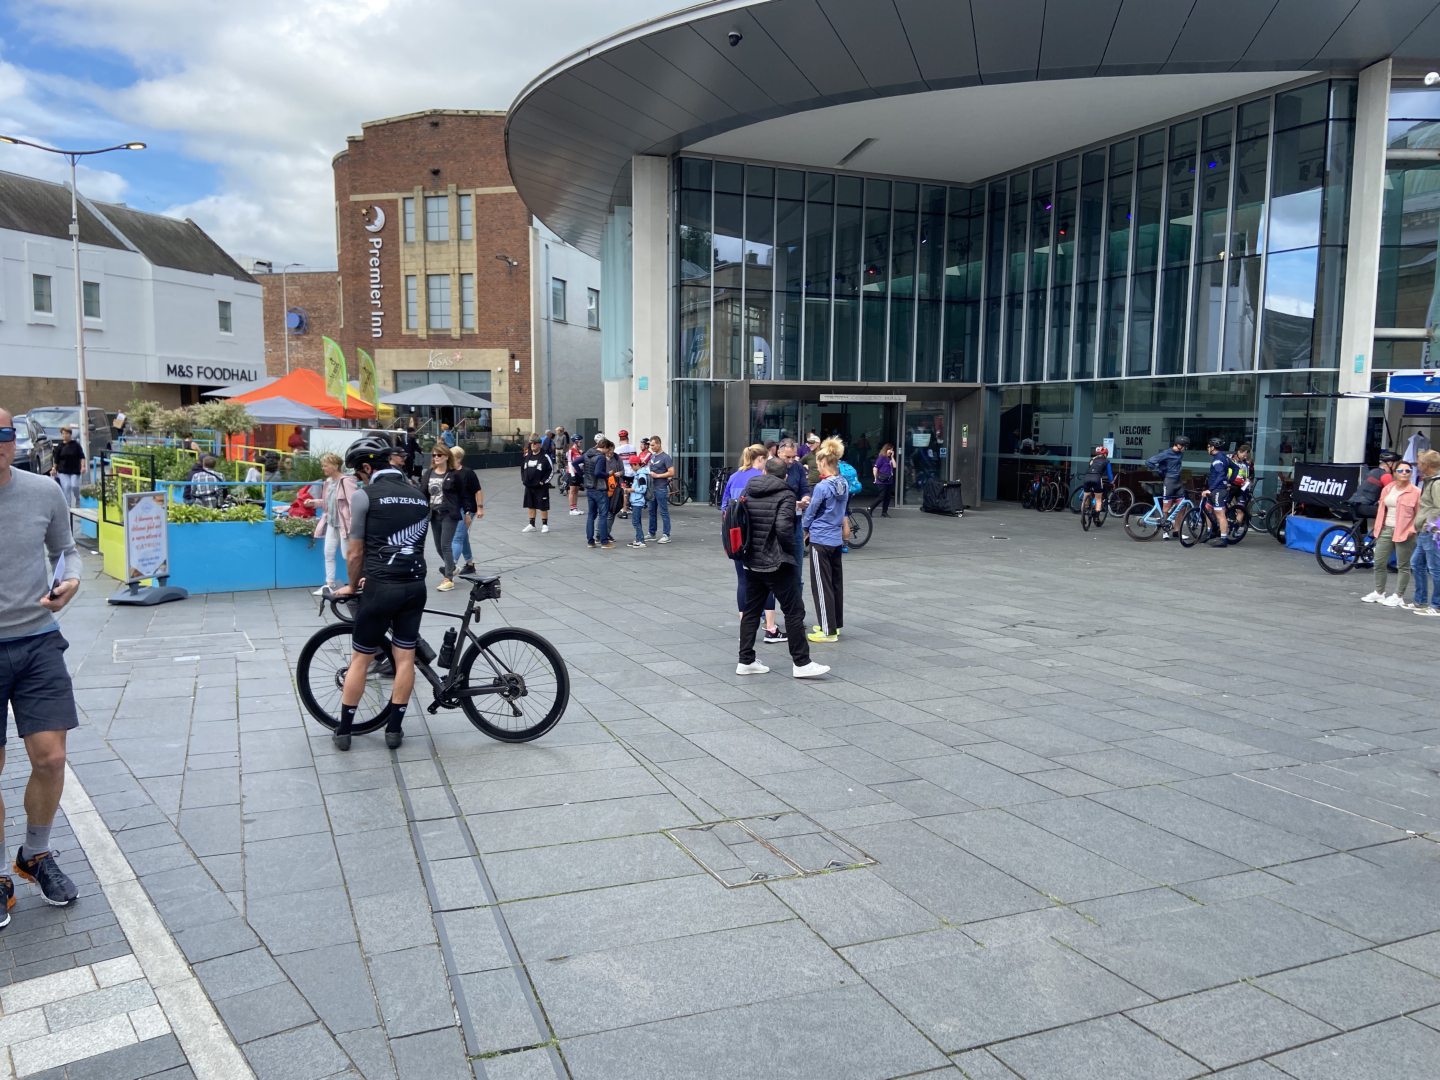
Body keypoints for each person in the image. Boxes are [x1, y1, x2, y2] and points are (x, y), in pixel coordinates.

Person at [0, 406, 84, 922]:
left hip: (37, 640)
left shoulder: (42, 491)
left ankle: (35, 853)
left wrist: (70, 582)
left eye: (3, 435)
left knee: (51, 758)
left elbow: (68, 552)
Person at [330, 435, 430, 750]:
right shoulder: (418, 495)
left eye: (358, 473)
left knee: (360, 658)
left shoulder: (365, 496)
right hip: (414, 585)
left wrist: (351, 582)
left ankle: (345, 731)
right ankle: (394, 730)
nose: (358, 479)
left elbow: (355, 552)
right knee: (405, 658)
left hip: (381, 587)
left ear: (367, 468)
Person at [737, 457, 830, 679]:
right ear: (785, 476)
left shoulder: (749, 490)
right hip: (777, 562)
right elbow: (783, 528)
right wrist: (790, 551)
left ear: (764, 472)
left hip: (751, 559)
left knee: (751, 611)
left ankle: (746, 660)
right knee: (794, 611)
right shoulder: (786, 495)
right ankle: (801, 663)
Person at [722, 445, 782, 643]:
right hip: (759, 537)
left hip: (736, 537)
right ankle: (771, 628)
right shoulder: (761, 478)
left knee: (743, 581)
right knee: (768, 582)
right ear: (762, 458)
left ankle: (744, 628)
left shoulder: (733, 477)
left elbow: (725, 509)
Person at [802, 437, 849, 643]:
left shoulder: (822, 487)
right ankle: (834, 623)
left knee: (821, 585)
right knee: (835, 583)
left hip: (820, 538)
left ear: (822, 463)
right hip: (836, 539)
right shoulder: (843, 483)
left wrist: (804, 528)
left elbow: (811, 511)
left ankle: (827, 630)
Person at [1362, 460, 1421, 607]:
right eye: (1401, 471)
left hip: (1404, 531)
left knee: (1403, 565)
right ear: (1394, 473)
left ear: (1411, 473)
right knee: (1379, 562)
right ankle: (1379, 592)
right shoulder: (1388, 488)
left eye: (1407, 471)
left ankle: (1398, 595)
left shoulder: (1416, 492)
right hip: (1385, 529)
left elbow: (1419, 515)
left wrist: (1411, 530)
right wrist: (1378, 528)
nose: (1404, 474)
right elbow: (1382, 509)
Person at [308, 452, 358, 595]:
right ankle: (329, 584)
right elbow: (327, 503)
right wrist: (314, 503)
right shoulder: (328, 483)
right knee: (328, 553)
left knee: (347, 555)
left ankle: (356, 583)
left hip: (344, 525)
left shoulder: (346, 481)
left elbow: (353, 503)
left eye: (325, 465)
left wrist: (354, 524)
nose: (323, 468)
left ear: (335, 466)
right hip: (331, 523)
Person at [423, 444, 464, 590]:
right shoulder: (429, 473)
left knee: (445, 545)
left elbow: (462, 495)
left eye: (439, 455)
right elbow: (423, 493)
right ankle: (452, 567)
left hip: (449, 514)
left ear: (446, 456)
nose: (436, 458)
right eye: (434, 455)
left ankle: (448, 579)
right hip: (434, 514)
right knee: (438, 546)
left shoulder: (454, 475)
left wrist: (468, 511)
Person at [776, 439, 811, 587]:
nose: (791, 460)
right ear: (779, 453)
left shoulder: (798, 468)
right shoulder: (772, 467)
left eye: (794, 456)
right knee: (773, 571)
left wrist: (805, 498)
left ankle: (796, 608)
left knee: (797, 572)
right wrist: (791, 503)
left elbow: (804, 489)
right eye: (787, 457)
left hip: (795, 522)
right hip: (775, 524)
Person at [1411, 450, 1440, 616]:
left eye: (1420, 463)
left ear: (1427, 466)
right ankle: (1420, 601)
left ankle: (1437, 605)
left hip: (1431, 531)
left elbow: (1438, 507)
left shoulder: (1436, 483)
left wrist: (1429, 523)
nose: (1418, 465)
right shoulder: (1430, 481)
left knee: (1435, 568)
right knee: (1416, 564)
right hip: (1425, 530)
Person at [1145, 435, 1190, 538]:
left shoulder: (1180, 453)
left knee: (1182, 506)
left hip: (1178, 482)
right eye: (1184, 446)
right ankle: (1165, 531)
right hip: (1169, 482)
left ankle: (1177, 531)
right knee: (1166, 507)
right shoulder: (1166, 453)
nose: (1185, 448)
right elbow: (1149, 462)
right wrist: (1160, 471)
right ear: (1178, 445)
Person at [1349, 450, 1400, 540]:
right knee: (1389, 513)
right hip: (1364, 506)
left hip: (1354, 504)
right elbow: (1392, 492)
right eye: (1396, 463)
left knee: (1360, 536)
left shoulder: (1372, 471)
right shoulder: (1386, 475)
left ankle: (1360, 547)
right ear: (1390, 463)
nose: (1396, 466)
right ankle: (1376, 532)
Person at [450, 446, 483, 573]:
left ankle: (451, 565)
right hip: (453, 509)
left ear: (458, 458)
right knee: (462, 537)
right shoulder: (449, 472)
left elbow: (478, 490)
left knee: (457, 537)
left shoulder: (468, 473)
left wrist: (480, 508)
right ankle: (470, 564)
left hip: (467, 509)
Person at [583, 437, 616, 549]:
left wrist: (584, 477)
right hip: (599, 489)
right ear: (605, 447)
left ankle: (590, 541)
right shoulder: (601, 457)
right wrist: (608, 474)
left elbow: (576, 464)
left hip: (589, 488)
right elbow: (598, 473)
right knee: (603, 515)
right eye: (608, 449)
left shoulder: (588, 454)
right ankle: (604, 541)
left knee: (591, 515)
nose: (609, 452)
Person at [520, 434, 553, 534]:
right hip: (529, 486)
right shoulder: (527, 456)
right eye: (531, 443)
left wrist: (543, 482)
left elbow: (551, 471)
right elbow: (522, 469)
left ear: (539, 444)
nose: (533, 445)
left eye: (535, 443)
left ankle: (545, 525)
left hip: (541, 487)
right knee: (531, 505)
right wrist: (524, 480)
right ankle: (531, 524)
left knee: (543, 506)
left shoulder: (545, 456)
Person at [1204, 438, 1233, 547]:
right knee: (1207, 509)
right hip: (1217, 488)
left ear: (1212, 447)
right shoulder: (1224, 457)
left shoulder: (1217, 460)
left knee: (1220, 514)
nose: (1207, 448)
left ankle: (1223, 539)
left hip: (1218, 490)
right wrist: (1230, 481)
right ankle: (1209, 532)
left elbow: (1221, 474)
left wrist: (1210, 489)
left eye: (1208, 446)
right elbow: (1235, 468)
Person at [49, 426, 85, 508]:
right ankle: (68, 506)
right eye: (63, 434)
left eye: (66, 433)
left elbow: (82, 456)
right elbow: (56, 460)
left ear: (70, 434)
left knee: (74, 485)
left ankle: (77, 498)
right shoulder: (59, 447)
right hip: (63, 470)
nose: (65, 435)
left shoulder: (76, 445)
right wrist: (54, 468)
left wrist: (83, 466)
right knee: (66, 487)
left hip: (74, 469)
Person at [646, 436, 674, 543]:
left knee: (663, 512)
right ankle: (651, 533)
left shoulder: (666, 457)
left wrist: (657, 476)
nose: (651, 447)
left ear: (658, 444)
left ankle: (666, 534)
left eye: (653, 445)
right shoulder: (652, 457)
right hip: (652, 488)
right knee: (651, 511)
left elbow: (671, 472)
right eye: (650, 445)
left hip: (661, 488)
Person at [626, 455, 651, 547]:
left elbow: (643, 489)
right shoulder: (639, 474)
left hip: (638, 501)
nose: (631, 467)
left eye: (632, 465)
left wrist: (631, 490)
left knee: (635, 522)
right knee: (637, 521)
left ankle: (641, 541)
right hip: (636, 501)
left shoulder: (641, 475)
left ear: (636, 464)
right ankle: (638, 539)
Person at [1081, 445, 1113, 519]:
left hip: (1087, 477)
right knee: (1098, 499)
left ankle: (1083, 515)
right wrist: (1111, 482)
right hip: (1096, 478)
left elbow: (1090, 468)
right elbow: (1110, 474)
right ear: (1105, 454)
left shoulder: (1092, 460)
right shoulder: (1106, 461)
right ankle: (1096, 518)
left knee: (1085, 497)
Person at [873, 443, 897, 517]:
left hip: (889, 481)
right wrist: (875, 478)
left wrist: (892, 457)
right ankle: (870, 508)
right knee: (881, 497)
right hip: (881, 481)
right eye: (890, 450)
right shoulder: (881, 458)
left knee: (887, 497)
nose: (891, 451)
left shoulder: (889, 458)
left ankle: (884, 512)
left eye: (892, 450)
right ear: (886, 449)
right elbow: (875, 468)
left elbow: (895, 466)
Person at [567, 440, 584, 515]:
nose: (581, 443)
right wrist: (572, 474)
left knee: (576, 490)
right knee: (572, 490)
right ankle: (571, 509)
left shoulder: (579, 451)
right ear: (575, 442)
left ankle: (575, 508)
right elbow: (570, 463)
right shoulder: (571, 450)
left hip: (578, 472)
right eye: (579, 442)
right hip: (572, 472)